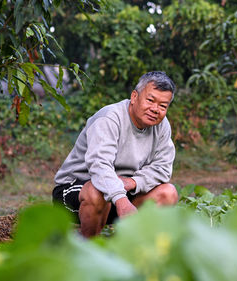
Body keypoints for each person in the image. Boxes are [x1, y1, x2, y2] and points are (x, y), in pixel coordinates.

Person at [52, 71, 178, 237]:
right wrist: (121, 199)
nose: (155, 109)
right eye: (150, 100)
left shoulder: (162, 126)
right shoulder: (110, 118)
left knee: (168, 193)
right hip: (76, 192)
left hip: (121, 194)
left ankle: (129, 248)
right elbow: (99, 166)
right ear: (134, 97)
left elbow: (163, 168)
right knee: (97, 190)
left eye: (163, 106)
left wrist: (133, 182)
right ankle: (87, 246)